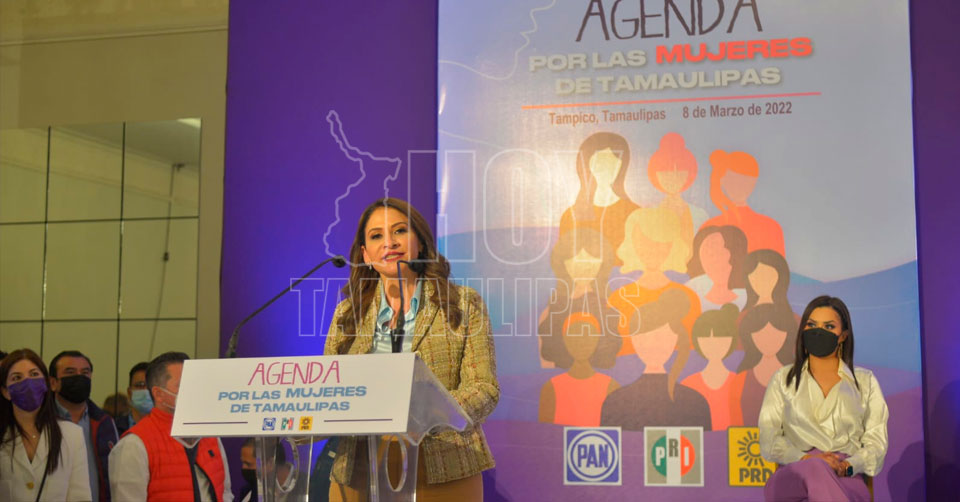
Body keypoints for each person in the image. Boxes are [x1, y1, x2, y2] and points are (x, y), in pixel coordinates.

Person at [324, 197, 499, 501]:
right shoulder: (347, 315)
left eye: (400, 231)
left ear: (420, 243)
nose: (389, 242)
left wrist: (429, 414)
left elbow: (485, 388)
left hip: (443, 465)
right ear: (365, 255)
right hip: (359, 469)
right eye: (376, 236)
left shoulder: (462, 304)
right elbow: (328, 391)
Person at [759, 296, 888, 502]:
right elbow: (769, 440)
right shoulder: (783, 379)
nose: (818, 332)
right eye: (811, 325)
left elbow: (876, 443)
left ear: (843, 336)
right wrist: (807, 459)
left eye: (828, 326)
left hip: (844, 475)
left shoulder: (865, 381)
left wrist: (848, 465)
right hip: (794, 475)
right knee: (815, 467)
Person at [108, 352, 233, 501]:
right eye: (182, 384)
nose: (192, 390)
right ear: (158, 394)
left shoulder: (209, 435)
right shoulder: (134, 444)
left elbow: (224, 493)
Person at [600, 289, 711, 431]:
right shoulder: (615, 402)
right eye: (644, 338)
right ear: (633, 341)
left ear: (675, 339)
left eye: (661, 337)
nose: (653, 345)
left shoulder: (696, 403)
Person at [0, 349, 92, 501]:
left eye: (34, 374)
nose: (28, 383)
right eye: (17, 377)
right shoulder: (3, 434)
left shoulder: (72, 434)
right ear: (5, 391)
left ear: (45, 383)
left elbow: (80, 497)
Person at [558, 132, 641, 266]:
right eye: (599, 161)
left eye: (612, 162)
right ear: (588, 165)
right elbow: (567, 266)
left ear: (622, 166)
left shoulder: (635, 214)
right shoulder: (570, 217)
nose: (605, 168)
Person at [49, 350, 119, 502]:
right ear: (53, 383)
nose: (79, 377)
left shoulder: (104, 422)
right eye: (70, 372)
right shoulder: (43, 422)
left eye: (85, 372)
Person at [538, 308, 621, 426]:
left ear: (597, 340)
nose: (581, 343)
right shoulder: (551, 388)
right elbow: (545, 432)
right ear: (564, 340)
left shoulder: (611, 387)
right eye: (574, 336)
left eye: (588, 336)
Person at [701, 149, 785, 255]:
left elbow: (776, 263)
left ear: (754, 183)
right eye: (733, 179)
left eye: (745, 180)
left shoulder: (770, 228)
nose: (739, 185)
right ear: (722, 180)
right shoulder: (710, 227)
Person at [680, 305, 744, 431]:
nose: (713, 343)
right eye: (706, 338)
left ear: (731, 340)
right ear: (697, 341)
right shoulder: (688, 384)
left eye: (720, 338)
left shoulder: (740, 382)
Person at [737, 304, 798, 426]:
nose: (768, 338)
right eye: (761, 332)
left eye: (775, 331)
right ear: (750, 336)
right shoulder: (740, 379)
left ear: (787, 334)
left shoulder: (797, 377)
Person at [685, 225, 749, 311]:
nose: (715, 261)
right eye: (710, 254)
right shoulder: (691, 289)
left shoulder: (748, 294)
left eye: (721, 253)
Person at [114, 362, 151, 436]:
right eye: (140, 385)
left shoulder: (170, 428)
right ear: (129, 392)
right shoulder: (113, 428)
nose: (145, 390)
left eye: (150, 385)